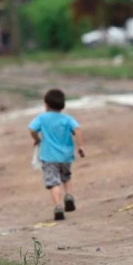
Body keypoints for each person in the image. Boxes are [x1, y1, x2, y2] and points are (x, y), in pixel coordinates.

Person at [29, 89, 85, 221]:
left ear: (46, 105)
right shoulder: (67, 119)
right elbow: (77, 129)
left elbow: (31, 129)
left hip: (48, 156)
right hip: (66, 156)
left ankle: (58, 206)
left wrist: (37, 139)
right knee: (66, 176)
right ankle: (69, 195)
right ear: (63, 105)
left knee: (53, 182)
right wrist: (80, 146)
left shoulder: (42, 118)